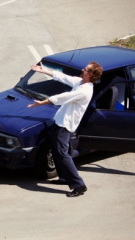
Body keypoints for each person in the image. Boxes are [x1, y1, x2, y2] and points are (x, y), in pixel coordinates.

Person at [27, 61, 103, 197]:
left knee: (62, 154)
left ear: (90, 74)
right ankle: (63, 178)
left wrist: (42, 102)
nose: (82, 69)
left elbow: (63, 97)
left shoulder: (84, 91)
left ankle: (79, 185)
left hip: (65, 126)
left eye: (85, 69)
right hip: (60, 122)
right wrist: (43, 70)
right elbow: (62, 77)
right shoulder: (81, 82)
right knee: (57, 151)